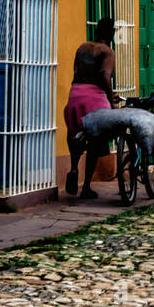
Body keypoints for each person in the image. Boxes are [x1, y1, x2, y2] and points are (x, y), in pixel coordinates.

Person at [63, 18, 117, 200]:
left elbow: (76, 70)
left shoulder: (82, 47)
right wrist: (112, 101)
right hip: (94, 99)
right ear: (111, 33)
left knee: (74, 134)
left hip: (75, 94)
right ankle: (86, 186)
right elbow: (105, 75)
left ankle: (73, 167)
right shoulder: (107, 52)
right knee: (95, 141)